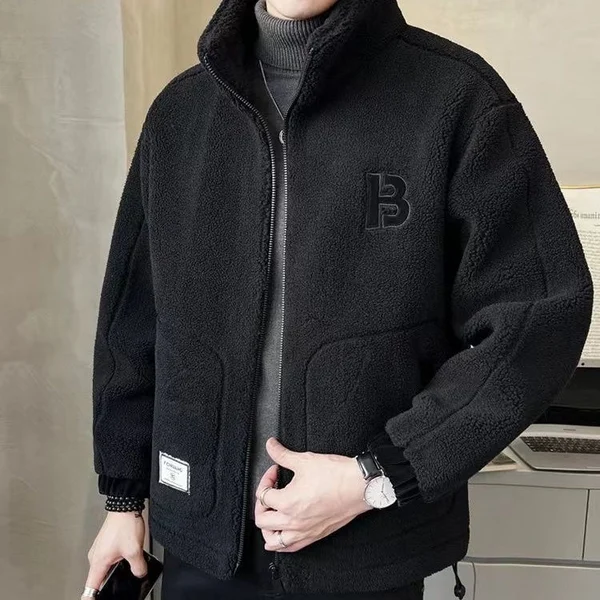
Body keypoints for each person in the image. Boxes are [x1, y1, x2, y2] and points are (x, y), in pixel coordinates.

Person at [83, 0, 594, 598]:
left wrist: (375, 475)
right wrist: (123, 501)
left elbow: (537, 319)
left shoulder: (455, 97)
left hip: (365, 542)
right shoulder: (182, 112)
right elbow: (134, 323)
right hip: (202, 539)